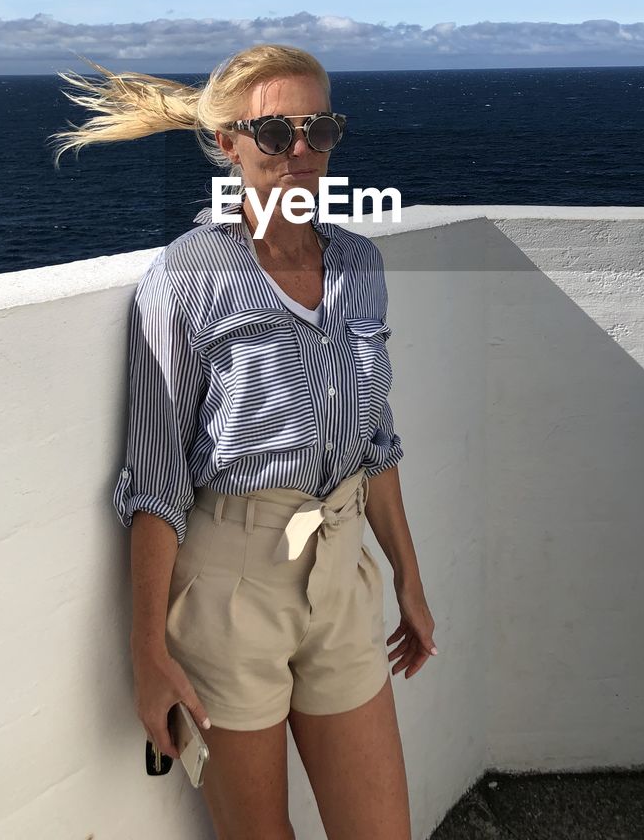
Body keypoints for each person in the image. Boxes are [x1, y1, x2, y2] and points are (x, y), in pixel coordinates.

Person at [48, 43, 436, 840]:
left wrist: (410, 579)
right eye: (274, 133)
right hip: (229, 591)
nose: (300, 152)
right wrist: (148, 653)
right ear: (228, 143)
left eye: (318, 130)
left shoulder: (359, 264)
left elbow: (378, 446)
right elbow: (154, 487)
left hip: (341, 572)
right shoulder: (185, 278)